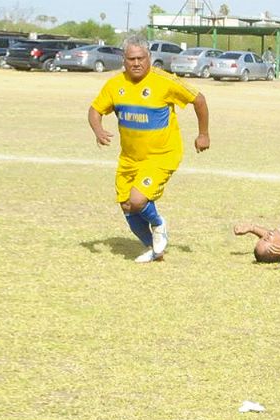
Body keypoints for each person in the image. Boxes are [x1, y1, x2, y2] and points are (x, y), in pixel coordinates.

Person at [87, 35, 210, 263]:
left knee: (137, 200)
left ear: (149, 58)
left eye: (141, 58)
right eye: (131, 58)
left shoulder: (164, 81)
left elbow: (199, 99)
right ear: (123, 60)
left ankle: (159, 224)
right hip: (129, 158)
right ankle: (155, 250)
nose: (136, 63)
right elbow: (94, 110)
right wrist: (98, 130)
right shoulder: (115, 84)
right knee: (126, 205)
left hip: (162, 155)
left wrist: (203, 134)